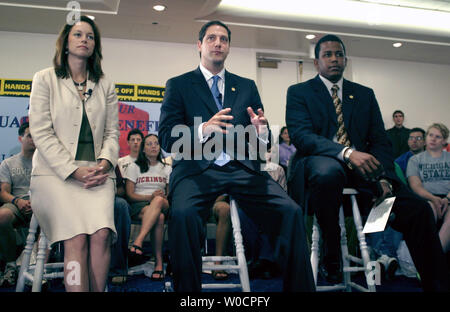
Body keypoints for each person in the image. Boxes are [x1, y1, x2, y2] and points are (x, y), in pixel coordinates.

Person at [158, 20, 314, 292]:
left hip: (242, 169)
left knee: (291, 211)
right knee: (182, 215)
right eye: (211, 38)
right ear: (199, 45)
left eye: (223, 39)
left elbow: (260, 135)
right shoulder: (179, 85)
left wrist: (262, 132)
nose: (218, 43)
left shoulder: (246, 86)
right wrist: (203, 129)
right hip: (197, 171)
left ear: (228, 47)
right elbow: (166, 138)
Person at [286, 34, 449, 291]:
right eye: (327, 55)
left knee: (417, 210)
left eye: (339, 54)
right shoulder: (299, 92)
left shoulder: (363, 94)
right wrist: (348, 152)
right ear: (316, 63)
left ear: (346, 60)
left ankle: (437, 284)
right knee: (327, 172)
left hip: (364, 173)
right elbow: (303, 137)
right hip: (320, 168)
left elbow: (380, 142)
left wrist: (383, 177)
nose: (334, 59)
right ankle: (332, 249)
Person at [28, 16, 119, 292]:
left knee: (102, 233)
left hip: (97, 173)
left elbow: (112, 134)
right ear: (66, 43)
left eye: (90, 37)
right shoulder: (45, 79)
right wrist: (72, 170)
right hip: (56, 175)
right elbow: (41, 132)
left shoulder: (105, 84)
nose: (84, 40)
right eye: (78, 35)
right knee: (76, 236)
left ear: (95, 45)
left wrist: (104, 163)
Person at [124, 134, 171, 281]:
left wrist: (157, 198)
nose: (153, 146)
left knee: (158, 201)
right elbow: (130, 195)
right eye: (149, 144)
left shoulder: (167, 168)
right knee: (159, 218)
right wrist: (149, 198)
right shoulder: (134, 167)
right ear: (143, 149)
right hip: (140, 206)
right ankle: (158, 264)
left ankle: (139, 241)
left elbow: (169, 195)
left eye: (156, 143)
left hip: (163, 203)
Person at [0, 122, 35, 287]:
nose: (33, 139)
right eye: (29, 135)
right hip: (17, 204)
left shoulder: (46, 163)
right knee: (2, 216)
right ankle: (11, 264)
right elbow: (3, 192)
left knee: (54, 215)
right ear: (21, 138)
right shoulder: (8, 164)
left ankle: (35, 268)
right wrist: (17, 201)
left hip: (41, 204)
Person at [407, 123, 450, 253]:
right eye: (431, 135)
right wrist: (433, 198)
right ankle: (431, 259)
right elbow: (415, 185)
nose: (433, 139)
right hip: (427, 198)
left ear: (444, 141)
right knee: (427, 211)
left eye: (438, 136)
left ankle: (436, 258)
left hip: (448, 197)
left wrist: (447, 199)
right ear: (426, 138)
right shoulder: (415, 160)